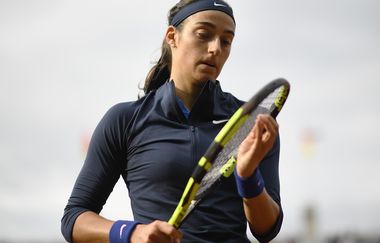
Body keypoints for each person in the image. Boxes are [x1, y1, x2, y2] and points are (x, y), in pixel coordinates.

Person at [61, 0, 283, 242]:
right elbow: (74, 219)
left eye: (226, 41)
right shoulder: (123, 120)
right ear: (172, 36)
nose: (215, 48)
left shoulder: (251, 123)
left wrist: (248, 176)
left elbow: (266, 230)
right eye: (203, 34)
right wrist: (133, 232)